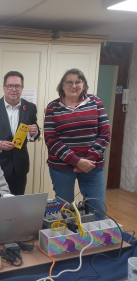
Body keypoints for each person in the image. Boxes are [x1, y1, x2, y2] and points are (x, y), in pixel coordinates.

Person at [44, 68, 110, 215]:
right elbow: (50, 138)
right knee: (65, 209)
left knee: (97, 209)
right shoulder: (53, 107)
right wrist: (75, 161)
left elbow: (105, 133)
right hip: (61, 166)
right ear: (62, 85)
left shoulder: (96, 102)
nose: (73, 85)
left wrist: (88, 159)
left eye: (78, 82)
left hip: (92, 166)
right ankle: (67, 238)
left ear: (83, 84)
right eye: (69, 82)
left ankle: (95, 238)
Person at [0, 71, 40, 196]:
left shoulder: (30, 107)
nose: (14, 89)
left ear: (22, 88)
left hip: (19, 167)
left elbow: (34, 131)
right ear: (4, 88)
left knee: (16, 206)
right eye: (10, 86)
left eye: (17, 86)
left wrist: (34, 133)